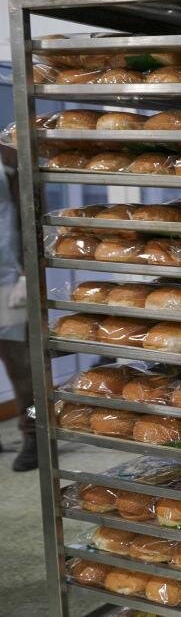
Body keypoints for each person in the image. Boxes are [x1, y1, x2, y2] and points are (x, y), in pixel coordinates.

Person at [0, 145, 36, 472]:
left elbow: (30, 215)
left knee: (25, 368)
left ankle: (34, 433)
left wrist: (26, 274)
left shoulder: (8, 160)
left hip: (7, 280)